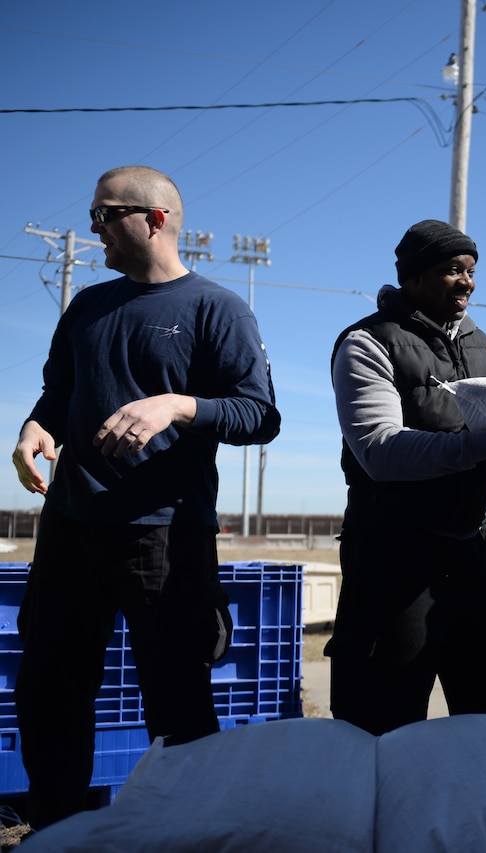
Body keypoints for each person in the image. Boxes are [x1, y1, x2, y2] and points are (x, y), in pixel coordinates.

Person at [10, 165, 281, 829]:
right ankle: (57, 831)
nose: (93, 226)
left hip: (165, 536)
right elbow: (57, 394)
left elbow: (259, 415)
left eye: (104, 213)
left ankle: (193, 832)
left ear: (154, 219)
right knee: (49, 690)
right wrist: (36, 426)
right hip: (71, 526)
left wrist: (178, 406)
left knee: (177, 699)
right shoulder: (87, 307)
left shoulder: (217, 308)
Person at [327, 218, 486, 735]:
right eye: (451, 271)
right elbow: (380, 450)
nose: (466, 282)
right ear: (413, 277)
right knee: (383, 722)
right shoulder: (367, 342)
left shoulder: (482, 344)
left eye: (471, 270)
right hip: (393, 557)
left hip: (474, 551)